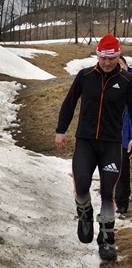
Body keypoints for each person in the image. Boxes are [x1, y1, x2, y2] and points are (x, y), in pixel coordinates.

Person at [55, 33, 132, 261]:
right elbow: (69, 103)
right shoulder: (85, 76)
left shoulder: (127, 82)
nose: (107, 62)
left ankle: (106, 240)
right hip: (85, 142)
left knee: (108, 194)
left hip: (111, 145)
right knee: (81, 186)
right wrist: (61, 130)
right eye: (103, 57)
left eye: (111, 58)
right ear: (97, 55)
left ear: (118, 57)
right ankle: (85, 213)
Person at [116, 56, 132, 214]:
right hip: (121, 136)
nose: (119, 67)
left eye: (121, 64)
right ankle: (122, 203)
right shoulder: (114, 83)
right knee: (122, 170)